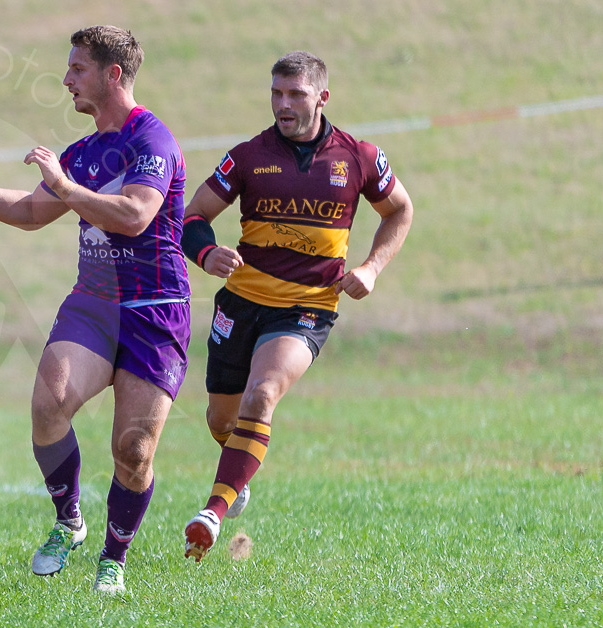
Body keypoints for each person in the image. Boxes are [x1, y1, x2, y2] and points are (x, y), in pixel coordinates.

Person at [0, 26, 188, 594]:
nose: (66, 79)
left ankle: (114, 556)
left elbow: (135, 215)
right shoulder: (83, 152)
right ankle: (69, 522)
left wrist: (64, 187)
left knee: (133, 450)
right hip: (92, 303)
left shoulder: (151, 141)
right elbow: (30, 210)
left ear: (113, 74)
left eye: (77, 69)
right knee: (48, 403)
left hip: (154, 309)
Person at [178, 51, 414, 561]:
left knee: (261, 398)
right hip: (240, 303)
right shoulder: (247, 157)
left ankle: (212, 513)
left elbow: (400, 210)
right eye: (276, 93)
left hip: (307, 308)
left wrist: (372, 267)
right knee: (222, 419)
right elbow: (191, 215)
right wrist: (206, 251)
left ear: (321, 98)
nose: (283, 105)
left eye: (295, 94)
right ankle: (236, 473)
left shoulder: (359, 157)